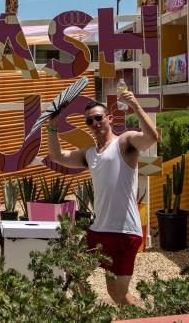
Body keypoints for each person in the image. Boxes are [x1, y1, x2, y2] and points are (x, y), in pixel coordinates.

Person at [46, 91, 160, 305]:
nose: (94, 123)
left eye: (98, 118)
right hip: (98, 229)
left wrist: (134, 104)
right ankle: (92, 313)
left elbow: (151, 137)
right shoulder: (90, 154)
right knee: (74, 270)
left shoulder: (124, 143)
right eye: (89, 120)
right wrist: (52, 126)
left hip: (123, 232)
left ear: (110, 119)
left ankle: (143, 319)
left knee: (117, 294)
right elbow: (57, 156)